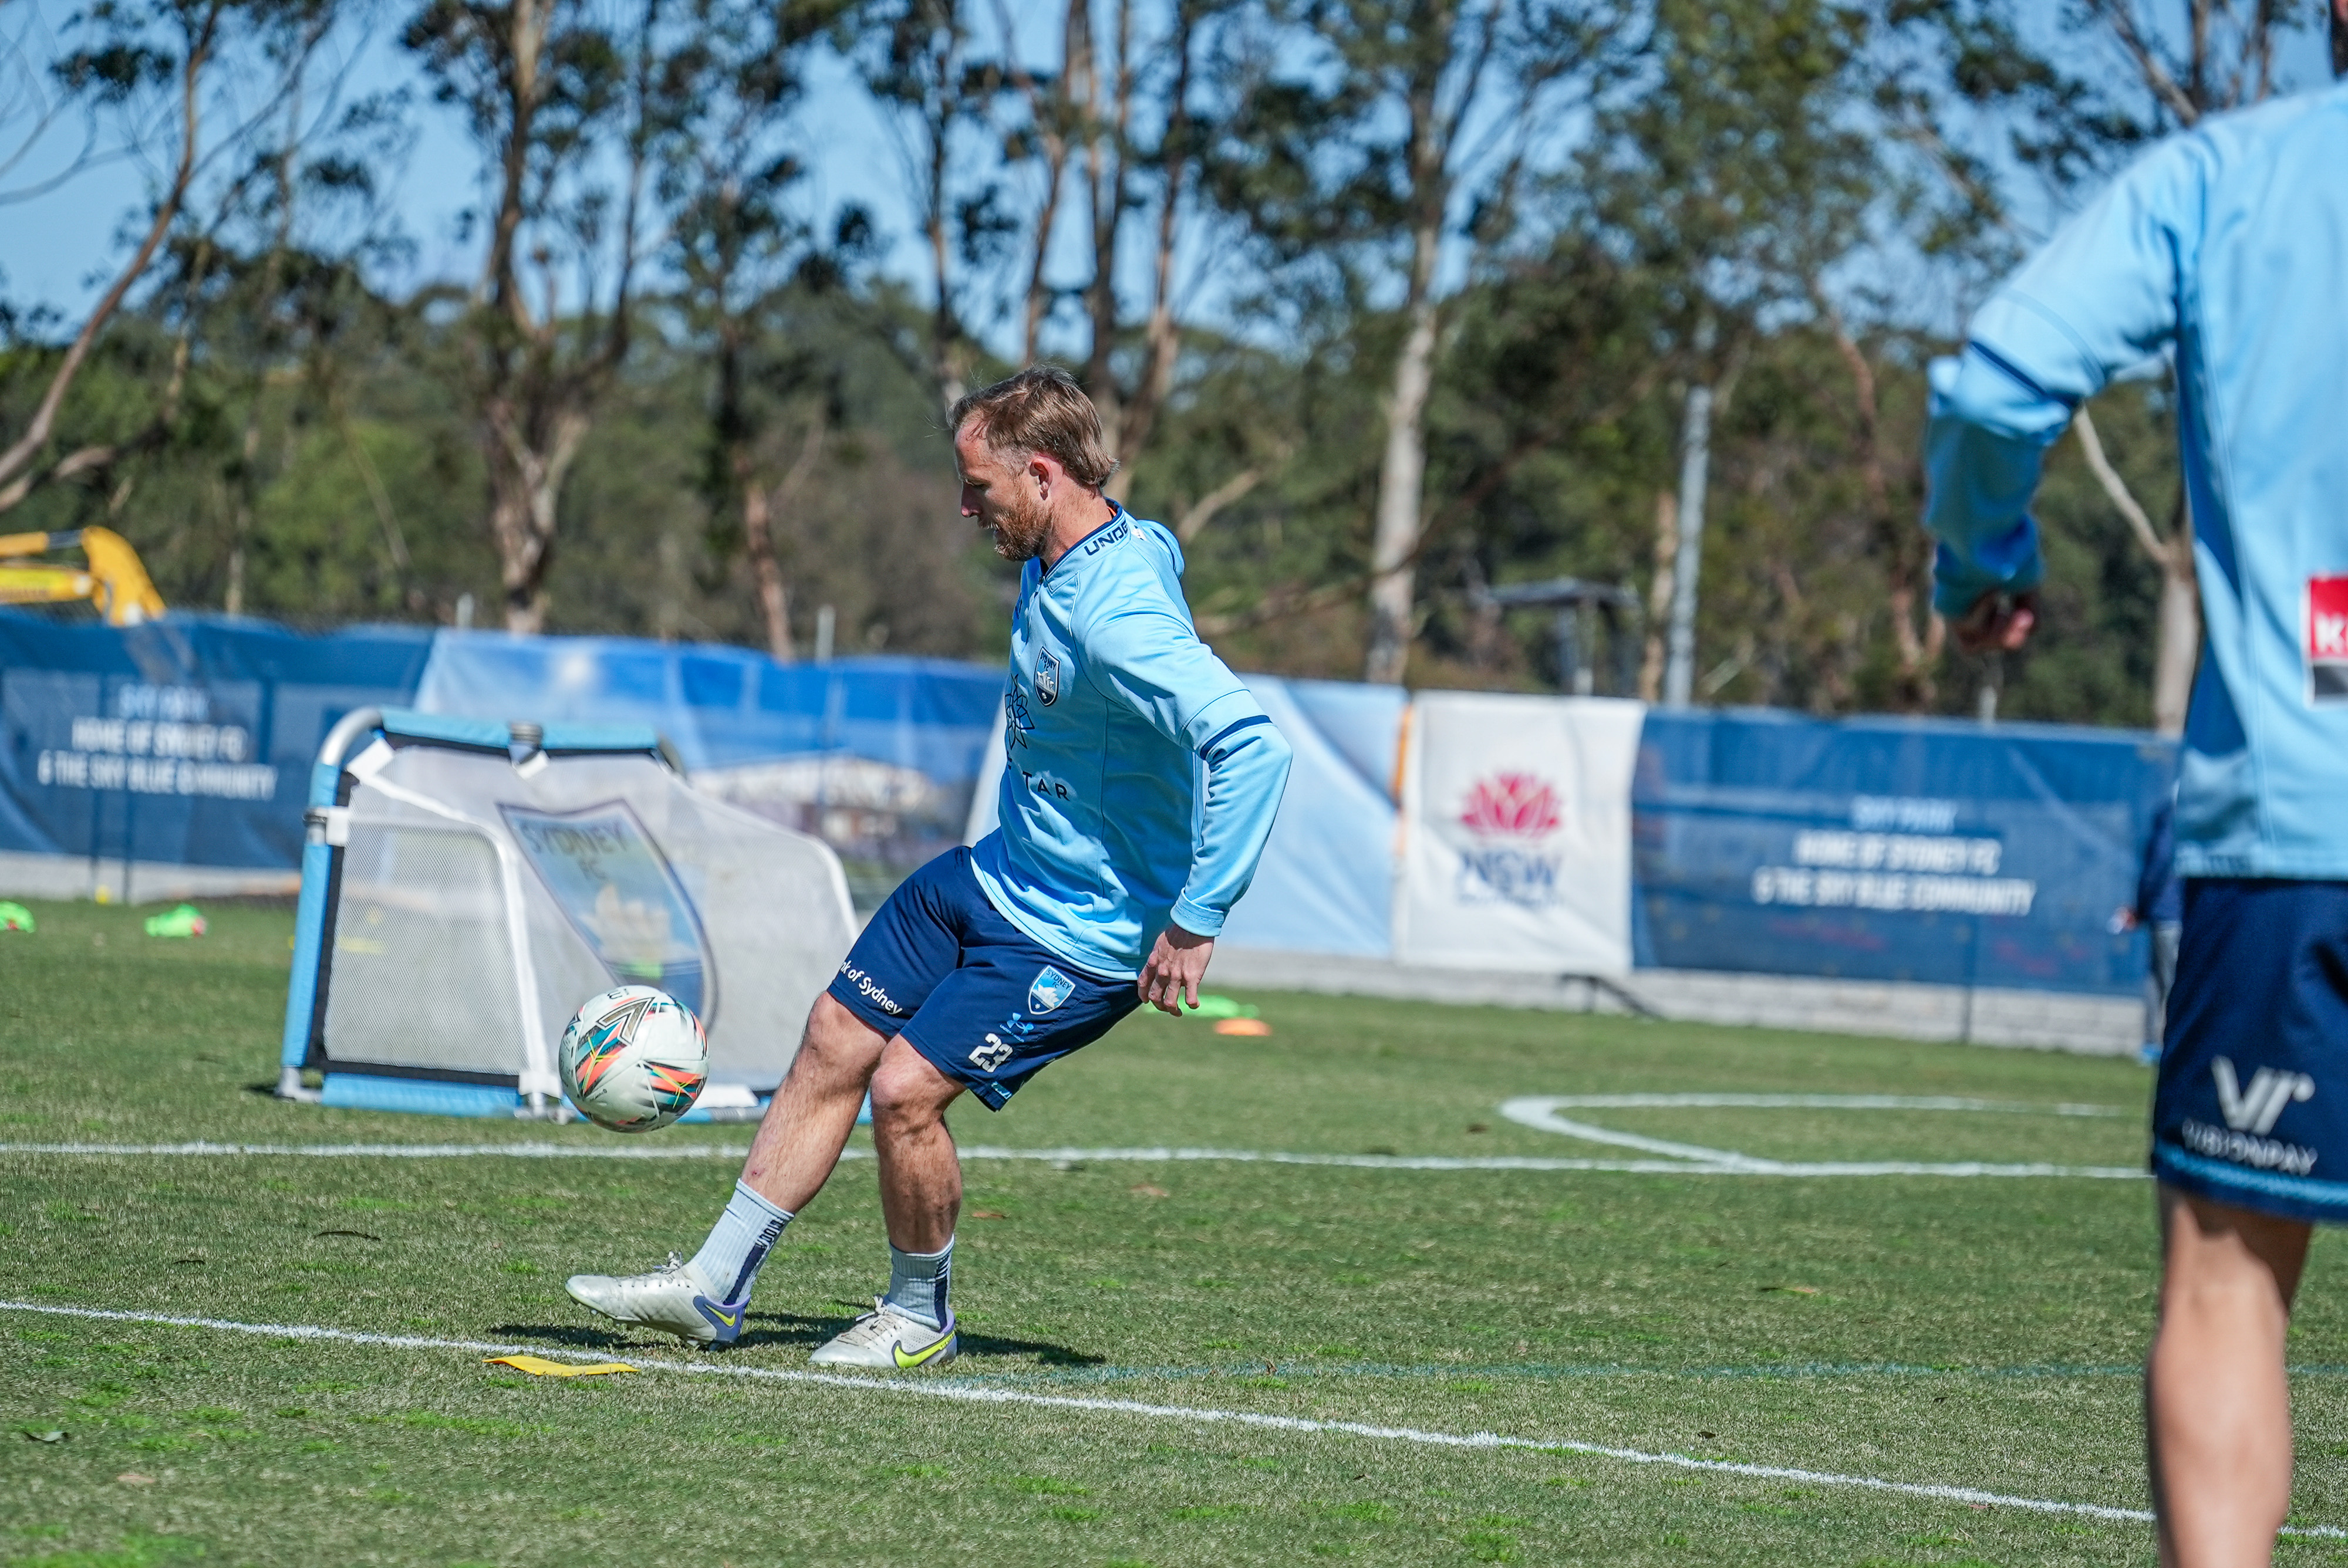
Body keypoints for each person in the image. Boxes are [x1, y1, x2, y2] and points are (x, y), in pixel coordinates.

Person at [564, 366, 1292, 1370]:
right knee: (834, 1034)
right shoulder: (1094, 538)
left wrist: (1196, 916)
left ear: (1041, 475)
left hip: (1079, 934)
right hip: (994, 873)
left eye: (978, 489)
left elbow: (1255, 746)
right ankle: (712, 1286)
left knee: (904, 1090)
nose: (964, 509)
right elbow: (1147, 546)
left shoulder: (1116, 618)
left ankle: (919, 1316)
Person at [1921, 12, 2348, 1561]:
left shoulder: (2225, 177)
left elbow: (1990, 388)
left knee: (2230, 1285)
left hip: (2297, 831)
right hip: (2283, 835)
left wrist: (1983, 561)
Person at [2112, 793, 2182, 1065]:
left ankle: (2153, 1043)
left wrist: (2142, 907)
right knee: (2170, 980)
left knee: (2157, 980)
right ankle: (2167, 1043)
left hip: (2162, 912)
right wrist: (2143, 906)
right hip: (2170, 913)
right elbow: (2159, 866)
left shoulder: (2167, 821)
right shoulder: (2175, 822)